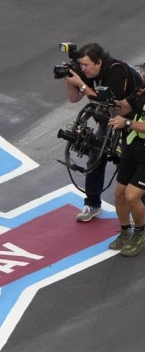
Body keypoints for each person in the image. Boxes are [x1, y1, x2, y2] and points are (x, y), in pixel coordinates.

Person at [63, 43, 141, 222]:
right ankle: (92, 204)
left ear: (98, 62)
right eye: (80, 65)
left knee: (130, 166)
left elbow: (111, 104)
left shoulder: (117, 71)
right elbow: (74, 98)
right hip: (109, 122)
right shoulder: (92, 72)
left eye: (85, 65)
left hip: (129, 123)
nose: (83, 69)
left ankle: (139, 209)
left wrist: (81, 85)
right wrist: (69, 80)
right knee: (95, 158)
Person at [108, 84, 145, 257]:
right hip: (132, 148)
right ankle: (125, 231)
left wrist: (127, 122)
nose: (144, 76)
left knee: (132, 195)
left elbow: (129, 120)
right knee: (120, 192)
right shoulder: (141, 90)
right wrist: (108, 102)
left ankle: (140, 231)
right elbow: (124, 106)